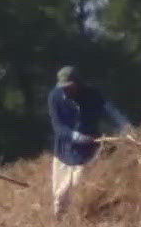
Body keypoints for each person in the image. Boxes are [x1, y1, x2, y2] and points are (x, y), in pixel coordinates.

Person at [47, 65, 133, 216]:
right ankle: (58, 220)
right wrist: (76, 136)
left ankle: (81, 217)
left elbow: (110, 111)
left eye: (70, 87)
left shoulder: (92, 94)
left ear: (78, 83)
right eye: (63, 87)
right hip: (63, 151)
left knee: (77, 187)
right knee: (60, 195)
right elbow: (58, 127)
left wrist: (125, 127)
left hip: (85, 153)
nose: (66, 90)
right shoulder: (55, 97)